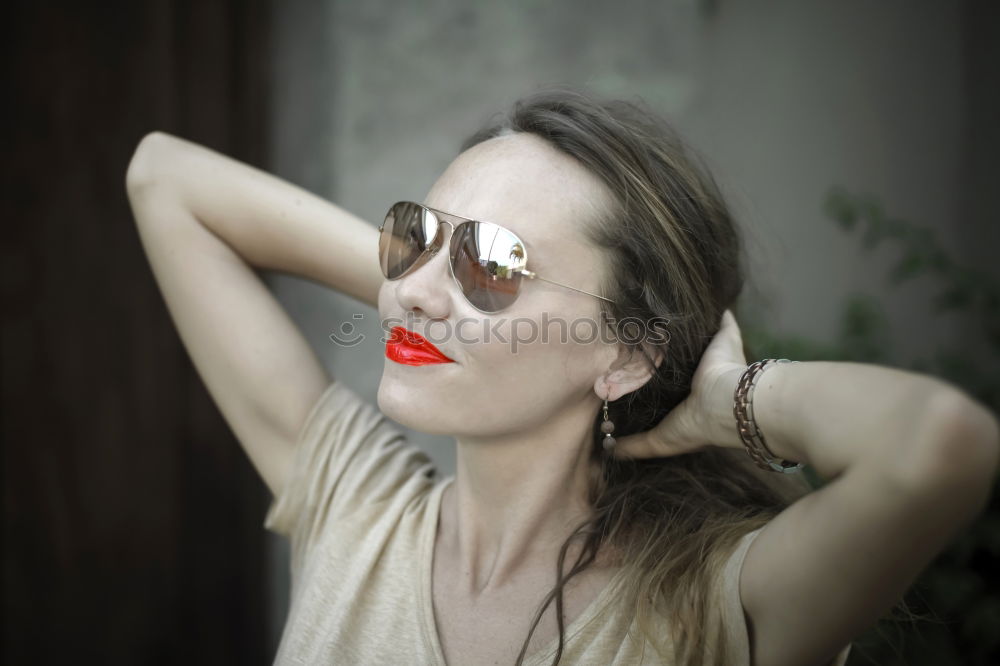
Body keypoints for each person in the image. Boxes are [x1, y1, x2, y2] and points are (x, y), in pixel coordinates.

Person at [126, 88, 999, 666]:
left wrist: (719, 401)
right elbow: (163, 176)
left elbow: (935, 443)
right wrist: (427, 284)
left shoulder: (713, 605)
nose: (419, 282)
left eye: (500, 263)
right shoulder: (358, 511)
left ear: (625, 355)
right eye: (414, 231)